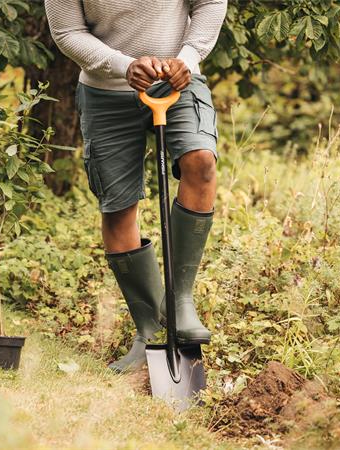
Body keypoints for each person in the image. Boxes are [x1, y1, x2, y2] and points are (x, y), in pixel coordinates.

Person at [45, 0, 227, 372]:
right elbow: (67, 32)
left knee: (201, 162)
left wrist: (187, 59)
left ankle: (178, 301)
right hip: (105, 92)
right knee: (117, 207)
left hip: (179, 80)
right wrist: (124, 65)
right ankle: (149, 333)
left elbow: (210, 3)